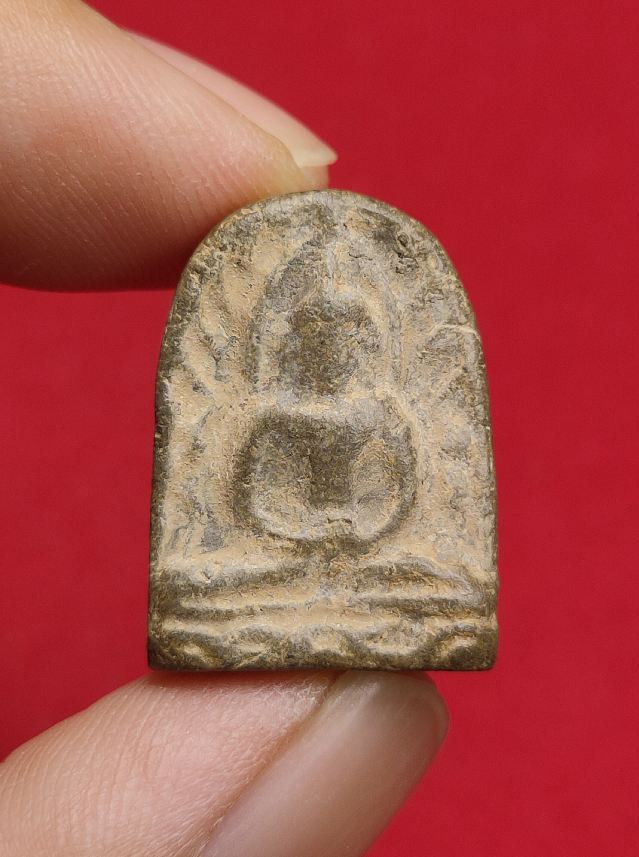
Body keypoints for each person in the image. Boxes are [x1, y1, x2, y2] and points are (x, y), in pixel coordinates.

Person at [0, 2, 448, 855]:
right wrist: (294, 536)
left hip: (363, 550)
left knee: (423, 587)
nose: (331, 356)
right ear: (295, 345)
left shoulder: (383, 410)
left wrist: (352, 533)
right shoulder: (273, 411)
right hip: (277, 560)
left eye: (344, 342)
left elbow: (403, 493)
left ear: (364, 344)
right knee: (217, 591)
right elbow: (246, 498)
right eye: (316, 343)